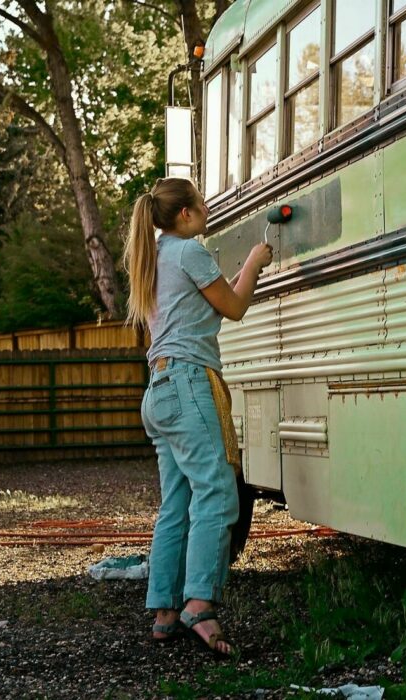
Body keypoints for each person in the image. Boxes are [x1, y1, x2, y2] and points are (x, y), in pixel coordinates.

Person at [123, 177, 273, 657]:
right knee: (217, 492)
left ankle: (164, 611)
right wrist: (255, 260)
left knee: (177, 501)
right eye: (201, 203)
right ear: (184, 214)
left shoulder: (154, 258)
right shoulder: (189, 250)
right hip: (189, 384)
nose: (207, 208)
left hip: (158, 391)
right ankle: (199, 605)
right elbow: (234, 307)